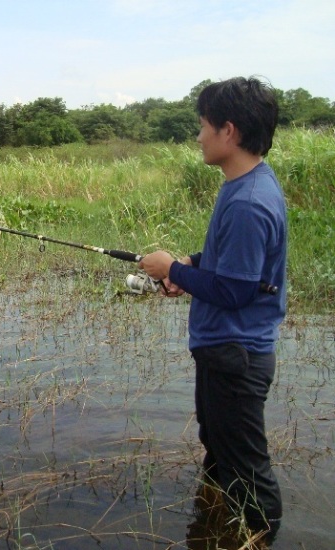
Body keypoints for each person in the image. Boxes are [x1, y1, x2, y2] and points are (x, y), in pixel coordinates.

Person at [138, 76, 286, 543]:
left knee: (248, 471)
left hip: (236, 355)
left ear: (229, 131)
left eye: (202, 126)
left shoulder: (248, 201)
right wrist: (189, 266)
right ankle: (213, 525)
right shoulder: (244, 184)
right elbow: (232, 266)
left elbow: (238, 290)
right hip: (224, 351)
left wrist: (173, 271)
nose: (198, 136)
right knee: (220, 449)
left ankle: (260, 536)